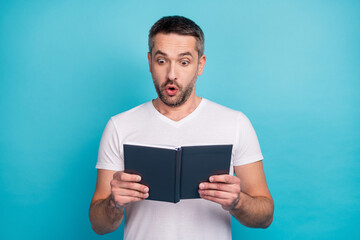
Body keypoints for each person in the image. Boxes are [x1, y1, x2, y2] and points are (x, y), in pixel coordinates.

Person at [89, 16, 274, 240]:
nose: (171, 75)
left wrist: (238, 202)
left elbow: (265, 217)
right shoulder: (119, 126)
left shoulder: (235, 123)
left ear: (200, 64)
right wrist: (114, 203)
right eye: (161, 61)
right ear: (149, 62)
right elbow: (99, 225)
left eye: (184, 62)